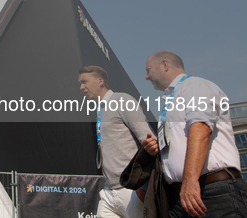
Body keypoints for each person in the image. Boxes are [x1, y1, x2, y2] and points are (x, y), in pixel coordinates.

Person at [142, 51, 246, 218]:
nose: (146, 77)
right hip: (183, 196)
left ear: (165, 65)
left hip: (211, 193)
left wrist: (190, 181)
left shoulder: (195, 86)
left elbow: (201, 130)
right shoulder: (171, 101)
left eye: (148, 70)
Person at [78, 66, 154, 218]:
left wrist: (141, 188)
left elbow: (149, 140)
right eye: (80, 83)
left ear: (100, 81)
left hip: (131, 189)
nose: (81, 87)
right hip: (108, 191)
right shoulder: (100, 110)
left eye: (84, 81)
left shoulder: (122, 100)